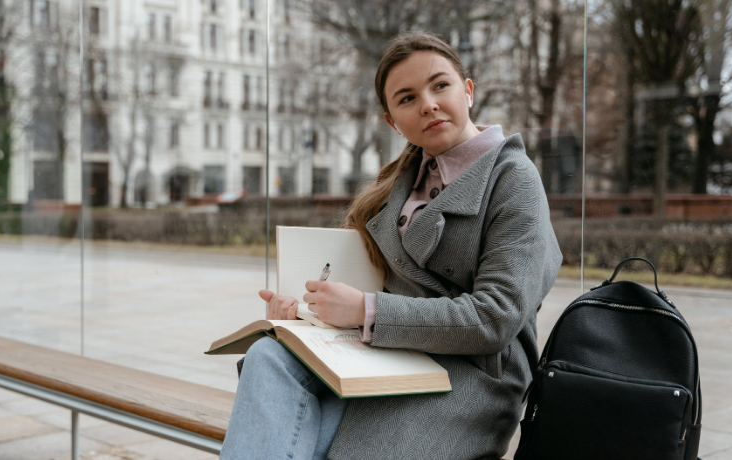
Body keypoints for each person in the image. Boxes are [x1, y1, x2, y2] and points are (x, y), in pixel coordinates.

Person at [220, 30, 562, 460]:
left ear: (468, 90)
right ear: (392, 121)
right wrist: (307, 313)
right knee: (268, 357)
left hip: (464, 377)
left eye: (440, 85)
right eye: (407, 98)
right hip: (383, 358)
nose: (428, 104)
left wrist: (366, 310)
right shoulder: (399, 182)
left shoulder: (514, 179)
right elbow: (367, 287)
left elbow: (496, 318)